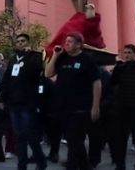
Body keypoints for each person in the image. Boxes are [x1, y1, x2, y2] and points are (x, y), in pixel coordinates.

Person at [45, 32, 100, 170]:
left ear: (79, 44)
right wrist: (55, 55)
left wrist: (95, 106)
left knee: (74, 140)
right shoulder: (62, 58)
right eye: (66, 41)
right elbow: (48, 73)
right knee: (74, 141)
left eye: (70, 41)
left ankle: (73, 165)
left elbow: (97, 83)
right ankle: (84, 166)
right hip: (63, 107)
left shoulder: (87, 60)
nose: (66, 43)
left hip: (81, 107)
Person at [0, 34, 47, 170]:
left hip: (28, 103)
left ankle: (41, 161)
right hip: (14, 104)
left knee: (29, 134)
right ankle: (22, 165)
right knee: (19, 135)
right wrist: (1, 97)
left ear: (28, 42)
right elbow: (7, 79)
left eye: (23, 41)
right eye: (18, 41)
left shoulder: (35, 57)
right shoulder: (13, 59)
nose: (20, 43)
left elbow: (37, 71)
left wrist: (28, 54)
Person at [108, 43, 135, 170]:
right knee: (120, 139)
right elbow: (113, 82)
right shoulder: (121, 68)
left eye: (129, 53)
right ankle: (120, 165)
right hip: (122, 108)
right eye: (125, 52)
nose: (126, 55)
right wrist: (117, 67)